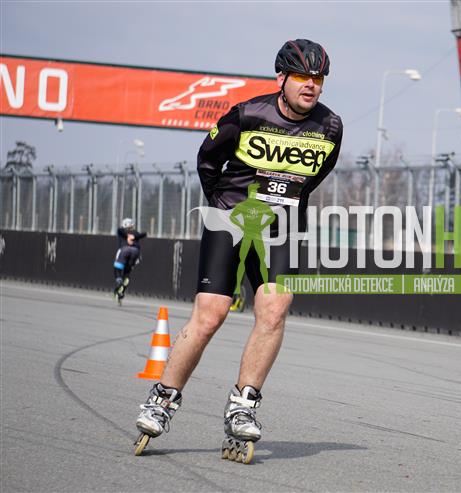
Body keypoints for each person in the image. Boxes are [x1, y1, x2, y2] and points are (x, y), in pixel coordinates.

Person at [134, 39, 343, 463]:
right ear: (281, 77)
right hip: (231, 217)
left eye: (318, 78)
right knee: (210, 314)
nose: (311, 85)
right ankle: (163, 398)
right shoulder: (247, 114)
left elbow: (313, 179)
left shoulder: (330, 127)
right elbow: (208, 160)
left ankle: (243, 406)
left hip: (281, 226)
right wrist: (223, 205)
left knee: (275, 309)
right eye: (301, 76)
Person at [113, 218, 146, 304]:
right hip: (135, 252)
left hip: (124, 250)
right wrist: (135, 237)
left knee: (117, 270)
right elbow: (144, 234)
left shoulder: (121, 231)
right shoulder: (135, 232)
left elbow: (120, 230)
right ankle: (122, 290)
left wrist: (127, 236)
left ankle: (119, 282)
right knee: (127, 272)